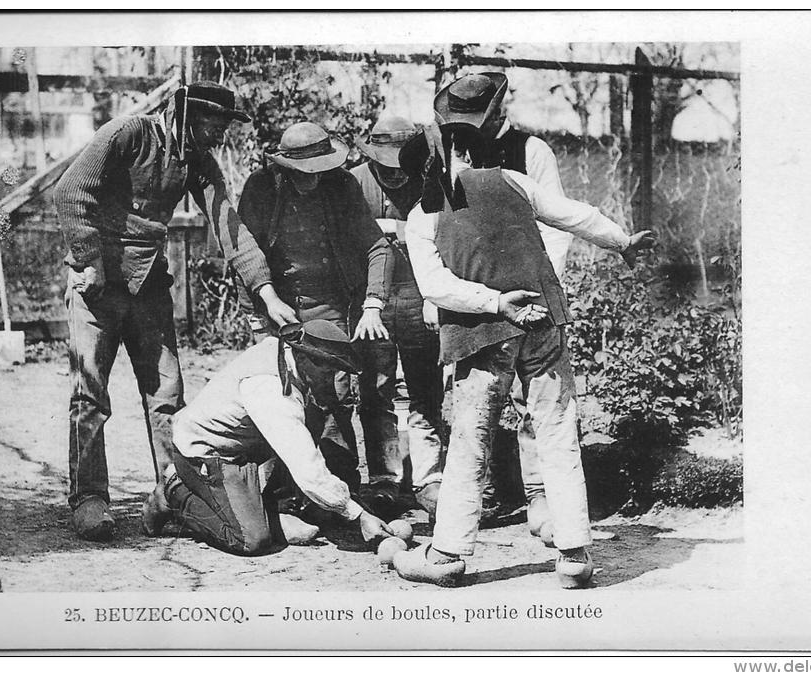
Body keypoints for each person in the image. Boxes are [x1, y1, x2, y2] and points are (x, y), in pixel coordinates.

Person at [392, 124, 654, 588]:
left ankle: (447, 553)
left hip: (483, 336)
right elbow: (573, 214)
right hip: (542, 323)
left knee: (471, 440)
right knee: (557, 428)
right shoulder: (512, 180)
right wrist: (621, 241)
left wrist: (494, 303)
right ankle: (575, 554)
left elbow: (435, 287)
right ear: (462, 151)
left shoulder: (422, 215)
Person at [55, 81, 298, 542]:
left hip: (149, 285)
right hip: (98, 284)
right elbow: (71, 192)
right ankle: (90, 498)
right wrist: (88, 260)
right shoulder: (126, 134)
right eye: (212, 124)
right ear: (185, 112)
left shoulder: (198, 162)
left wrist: (265, 291)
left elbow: (229, 225)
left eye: (223, 127)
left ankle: (172, 491)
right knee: (90, 394)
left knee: (167, 394)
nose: (217, 136)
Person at [436, 71, 573, 533]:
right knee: (476, 402)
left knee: (537, 401)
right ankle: (491, 498)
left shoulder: (532, 152)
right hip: (481, 300)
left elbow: (556, 225)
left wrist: (539, 291)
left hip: (529, 297)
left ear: (498, 111)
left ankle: (541, 501)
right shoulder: (453, 157)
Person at [141, 319, 394, 555]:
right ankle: (175, 493)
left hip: (244, 446)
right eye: (327, 372)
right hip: (205, 453)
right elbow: (303, 462)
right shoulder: (270, 388)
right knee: (250, 538)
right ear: (306, 360)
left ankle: (266, 506)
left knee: (312, 419)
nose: (330, 380)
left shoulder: (284, 354)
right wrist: (357, 515)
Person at [237, 122, 392, 493]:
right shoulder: (261, 189)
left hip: (331, 305)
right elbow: (245, 254)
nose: (312, 179)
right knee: (280, 395)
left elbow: (377, 246)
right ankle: (281, 491)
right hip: (277, 305)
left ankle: (340, 484)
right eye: (303, 173)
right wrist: (255, 317)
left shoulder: (342, 187)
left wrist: (373, 303)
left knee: (335, 393)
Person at [349, 114, 445, 518]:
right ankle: (385, 477)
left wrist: (436, 296)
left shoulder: (431, 183)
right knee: (375, 391)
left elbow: (444, 236)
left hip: (419, 299)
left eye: (400, 164)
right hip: (371, 303)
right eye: (385, 165)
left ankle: (429, 477)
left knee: (426, 390)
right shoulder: (352, 183)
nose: (394, 174)